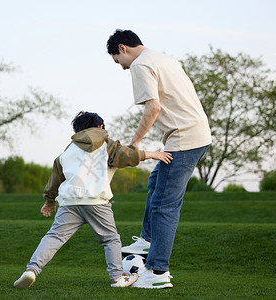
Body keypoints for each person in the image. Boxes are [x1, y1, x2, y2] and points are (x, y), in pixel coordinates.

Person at [13, 111, 173, 289]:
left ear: (78, 130)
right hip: (96, 202)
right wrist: (153, 154)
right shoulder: (105, 143)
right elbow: (127, 155)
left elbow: (56, 177)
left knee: (54, 237)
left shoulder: (68, 150)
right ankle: (117, 278)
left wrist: (49, 201)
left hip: (69, 202)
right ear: (100, 127)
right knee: (111, 240)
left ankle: (31, 270)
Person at [106, 29, 212, 289]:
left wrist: (135, 143)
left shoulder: (140, 65)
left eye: (117, 61)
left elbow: (154, 107)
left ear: (123, 48)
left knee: (165, 206)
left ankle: (157, 272)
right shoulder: (164, 58)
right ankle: (147, 240)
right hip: (195, 135)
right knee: (156, 183)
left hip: (184, 140)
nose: (121, 68)